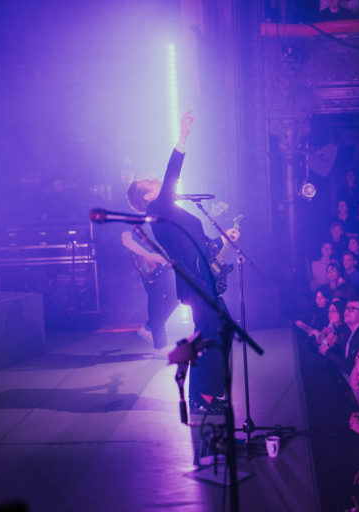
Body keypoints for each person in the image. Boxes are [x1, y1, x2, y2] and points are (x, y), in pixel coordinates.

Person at [126, 111, 234, 413]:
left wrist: (223, 241)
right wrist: (184, 135)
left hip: (200, 282)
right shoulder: (160, 208)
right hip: (197, 284)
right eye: (150, 180)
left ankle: (212, 393)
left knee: (218, 331)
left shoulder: (169, 211)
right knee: (210, 334)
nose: (156, 179)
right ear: (147, 197)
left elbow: (197, 243)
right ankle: (202, 397)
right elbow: (172, 172)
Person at [120, 229, 179, 350]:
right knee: (156, 299)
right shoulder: (130, 215)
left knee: (175, 298)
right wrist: (149, 256)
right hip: (151, 265)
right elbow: (126, 241)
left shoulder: (154, 213)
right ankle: (160, 346)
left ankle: (149, 327)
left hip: (163, 263)